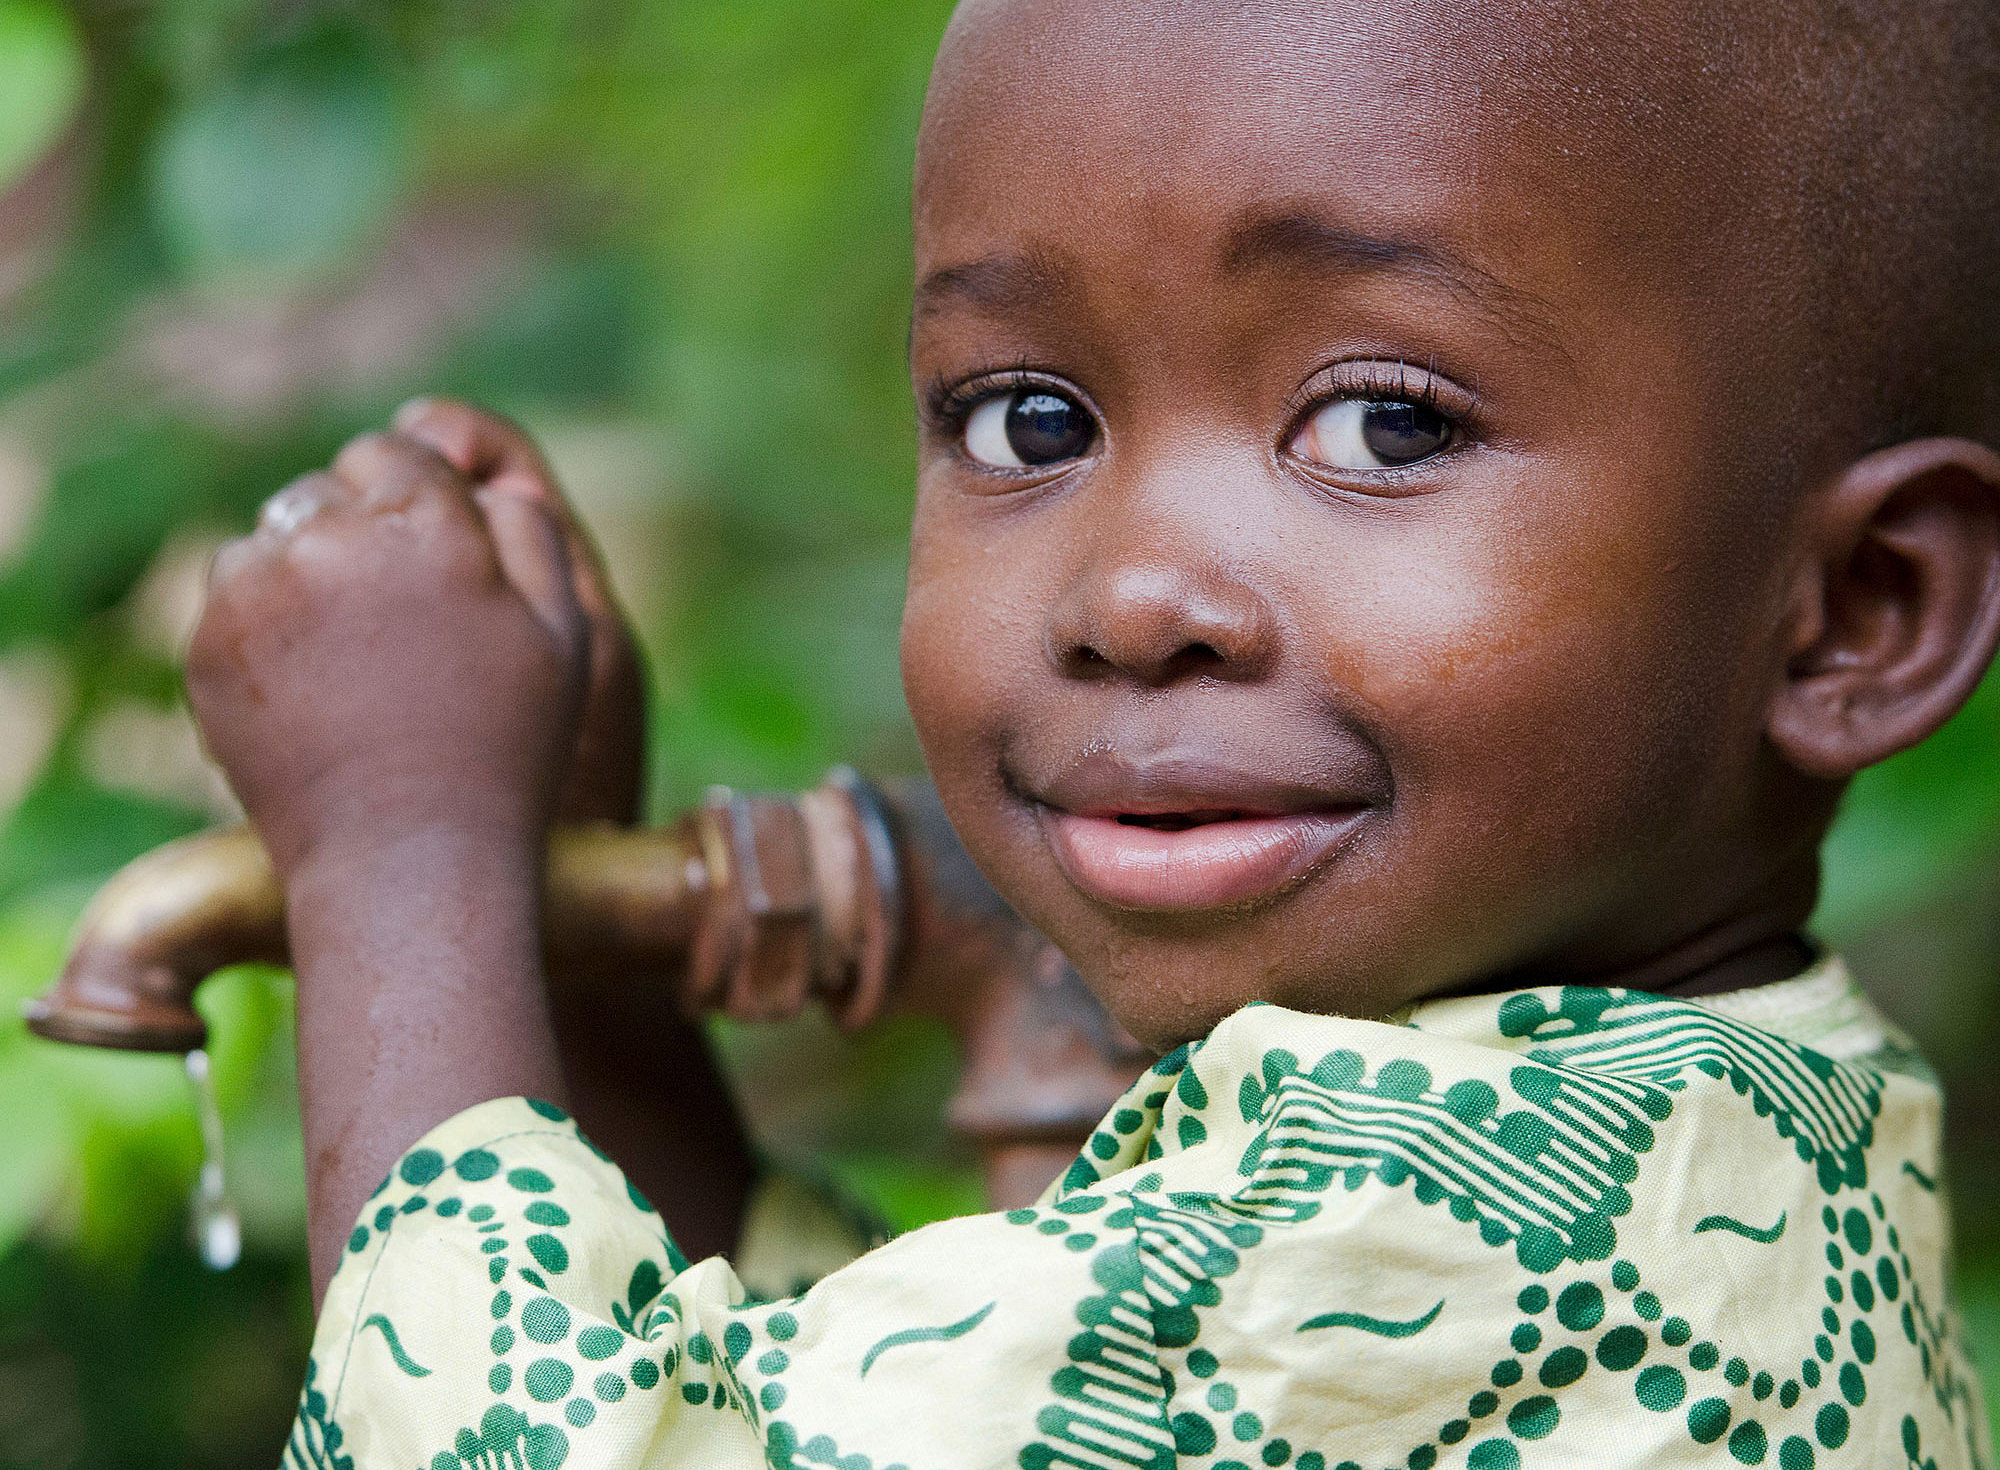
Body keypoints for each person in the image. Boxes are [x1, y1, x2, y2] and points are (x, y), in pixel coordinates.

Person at [185, 0, 2000, 1464]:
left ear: (1860, 610)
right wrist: (584, 993)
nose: (1135, 597)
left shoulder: (1454, 1211)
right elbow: (856, 1404)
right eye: (1029, 421)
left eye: (1381, 425)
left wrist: (402, 853)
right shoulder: (1713, 1125)